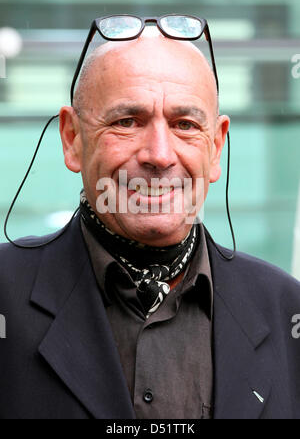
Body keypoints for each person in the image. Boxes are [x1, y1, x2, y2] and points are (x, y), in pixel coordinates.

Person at [1, 21, 300, 420]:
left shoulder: (286, 310)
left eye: (185, 125)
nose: (159, 155)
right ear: (72, 138)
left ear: (216, 147)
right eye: (127, 121)